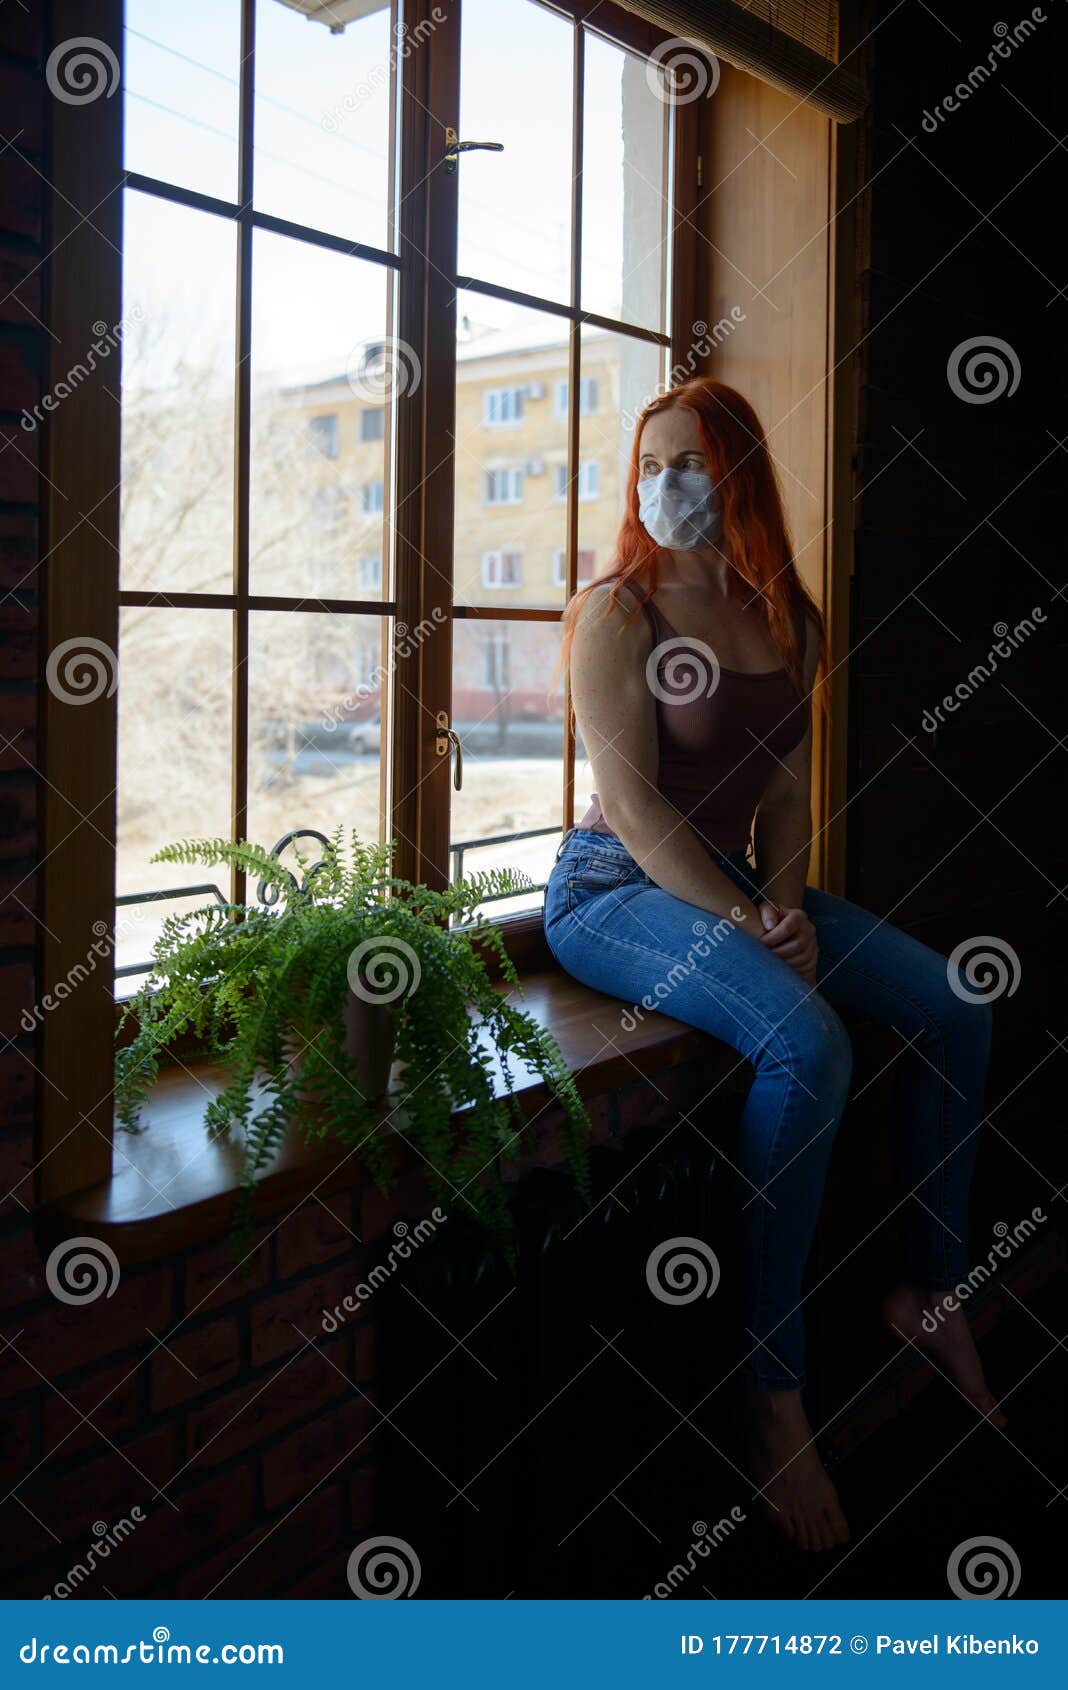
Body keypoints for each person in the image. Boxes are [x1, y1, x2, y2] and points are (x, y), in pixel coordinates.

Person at [543, 377, 999, 1553]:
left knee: (956, 1002)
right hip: (611, 892)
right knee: (808, 1043)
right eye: (651, 463)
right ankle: (772, 1386)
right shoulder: (616, 613)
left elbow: (789, 784)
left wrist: (785, 905)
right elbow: (640, 816)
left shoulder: (781, 612)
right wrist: (752, 927)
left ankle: (928, 1289)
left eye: (691, 462)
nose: (665, 486)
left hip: (736, 892)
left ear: (737, 472)